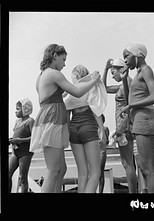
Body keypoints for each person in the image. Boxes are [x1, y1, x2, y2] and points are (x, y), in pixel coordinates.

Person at [29, 44, 100, 193]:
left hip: (48, 117)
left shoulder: (41, 76)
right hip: (53, 120)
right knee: (53, 170)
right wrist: (93, 80)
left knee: (61, 169)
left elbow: (49, 98)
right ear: (55, 55)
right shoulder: (54, 74)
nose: (65, 64)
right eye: (63, 59)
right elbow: (77, 91)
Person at [120, 42, 154, 193]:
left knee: (149, 167)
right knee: (145, 167)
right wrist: (125, 79)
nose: (124, 60)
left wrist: (131, 106)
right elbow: (129, 100)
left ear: (137, 54)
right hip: (139, 120)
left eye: (126, 56)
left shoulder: (146, 70)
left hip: (146, 119)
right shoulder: (137, 73)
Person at [64, 64, 107, 193]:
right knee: (95, 173)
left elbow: (67, 119)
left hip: (73, 129)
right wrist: (102, 130)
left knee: (82, 174)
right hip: (88, 127)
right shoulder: (90, 89)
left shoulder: (69, 94)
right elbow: (96, 111)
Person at [102, 58, 137, 193]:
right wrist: (105, 69)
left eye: (112, 72)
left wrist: (120, 129)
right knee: (128, 163)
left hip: (125, 127)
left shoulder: (127, 83)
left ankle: (133, 193)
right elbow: (104, 88)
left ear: (121, 69)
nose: (112, 75)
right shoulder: (124, 84)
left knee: (127, 163)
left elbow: (129, 108)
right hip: (124, 126)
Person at [9, 98, 34, 193]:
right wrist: (13, 140)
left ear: (25, 109)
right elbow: (16, 135)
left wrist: (19, 140)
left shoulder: (30, 121)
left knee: (23, 177)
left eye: (18, 108)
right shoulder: (17, 121)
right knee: (8, 174)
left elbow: (34, 138)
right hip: (15, 152)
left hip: (25, 153)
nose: (16, 111)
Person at [98, 114, 110, 193]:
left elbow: (107, 141)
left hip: (102, 151)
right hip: (94, 152)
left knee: (100, 172)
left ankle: (101, 191)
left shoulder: (105, 129)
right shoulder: (92, 129)